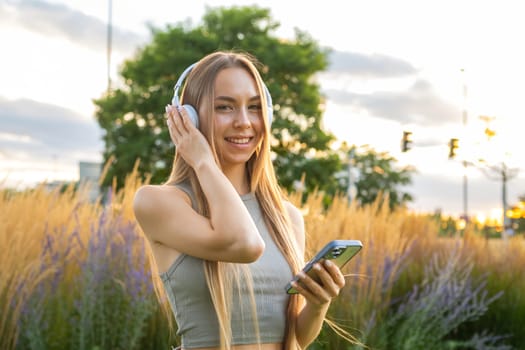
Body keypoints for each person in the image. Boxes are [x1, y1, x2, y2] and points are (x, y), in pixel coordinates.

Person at [133, 51, 347, 350]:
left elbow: (296, 338)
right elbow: (244, 244)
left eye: (255, 107)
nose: (244, 122)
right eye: (225, 107)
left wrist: (319, 304)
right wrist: (203, 161)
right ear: (188, 118)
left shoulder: (287, 217)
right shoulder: (158, 202)